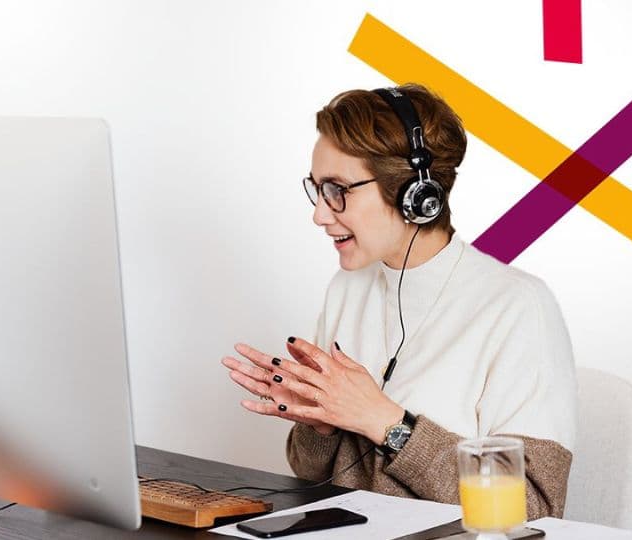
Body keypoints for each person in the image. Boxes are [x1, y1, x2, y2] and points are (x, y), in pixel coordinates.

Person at [221, 84, 577, 519]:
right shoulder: (346, 289)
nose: (319, 213)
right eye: (317, 189)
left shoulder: (517, 307)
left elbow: (532, 508)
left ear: (414, 194)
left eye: (338, 190)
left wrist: (387, 423)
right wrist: (322, 425)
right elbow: (313, 476)